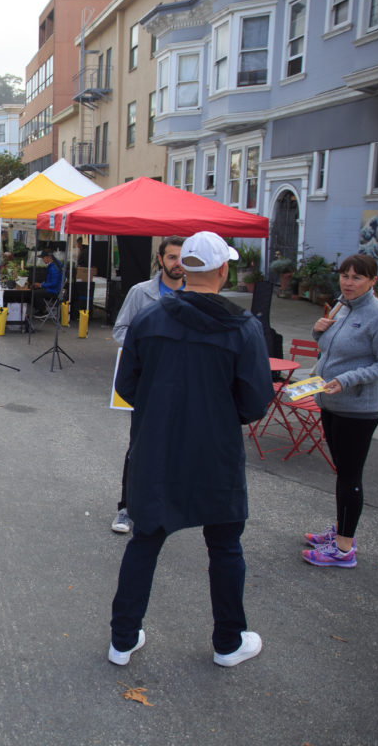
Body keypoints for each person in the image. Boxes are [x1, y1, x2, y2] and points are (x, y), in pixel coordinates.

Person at [109, 231, 273, 668]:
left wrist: (162, 407)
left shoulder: (150, 319)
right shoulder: (244, 327)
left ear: (186, 268)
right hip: (214, 453)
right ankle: (228, 641)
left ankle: (122, 640)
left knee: (145, 539)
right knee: (224, 545)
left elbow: (127, 384)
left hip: (158, 447)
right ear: (223, 270)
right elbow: (256, 401)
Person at [302, 254, 378, 568]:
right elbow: (331, 347)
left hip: (359, 408)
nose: (348, 282)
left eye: (357, 277)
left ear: (373, 281)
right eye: (345, 275)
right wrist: (318, 332)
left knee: (349, 475)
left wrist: (346, 380)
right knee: (343, 472)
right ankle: (343, 530)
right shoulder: (342, 305)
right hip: (331, 402)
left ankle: (344, 548)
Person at [108, 236, 185, 534]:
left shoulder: (194, 293)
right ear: (160, 260)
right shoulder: (141, 293)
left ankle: (163, 505)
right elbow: (120, 330)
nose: (177, 263)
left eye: (182, 258)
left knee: (175, 446)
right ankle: (126, 508)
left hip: (182, 384)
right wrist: (149, 348)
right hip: (148, 381)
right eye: (171, 257)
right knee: (138, 447)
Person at [36, 251, 63, 316]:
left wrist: (41, 285)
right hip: (53, 289)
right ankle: (41, 309)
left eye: (43, 258)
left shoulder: (53, 267)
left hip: (54, 291)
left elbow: (54, 283)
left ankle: (43, 311)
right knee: (36, 292)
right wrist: (42, 284)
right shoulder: (54, 265)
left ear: (48, 257)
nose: (42, 260)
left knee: (35, 294)